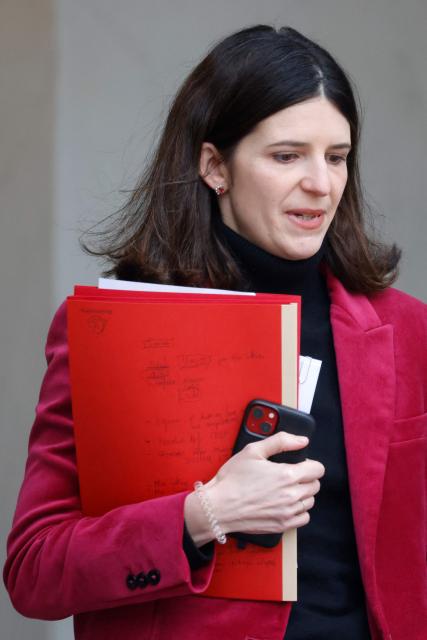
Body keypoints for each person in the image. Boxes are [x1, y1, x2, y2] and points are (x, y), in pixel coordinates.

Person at [4, 24, 426, 640]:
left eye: (336, 157)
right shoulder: (111, 332)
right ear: (214, 167)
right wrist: (202, 515)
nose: (320, 183)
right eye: (287, 156)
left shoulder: (408, 330)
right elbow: (35, 571)